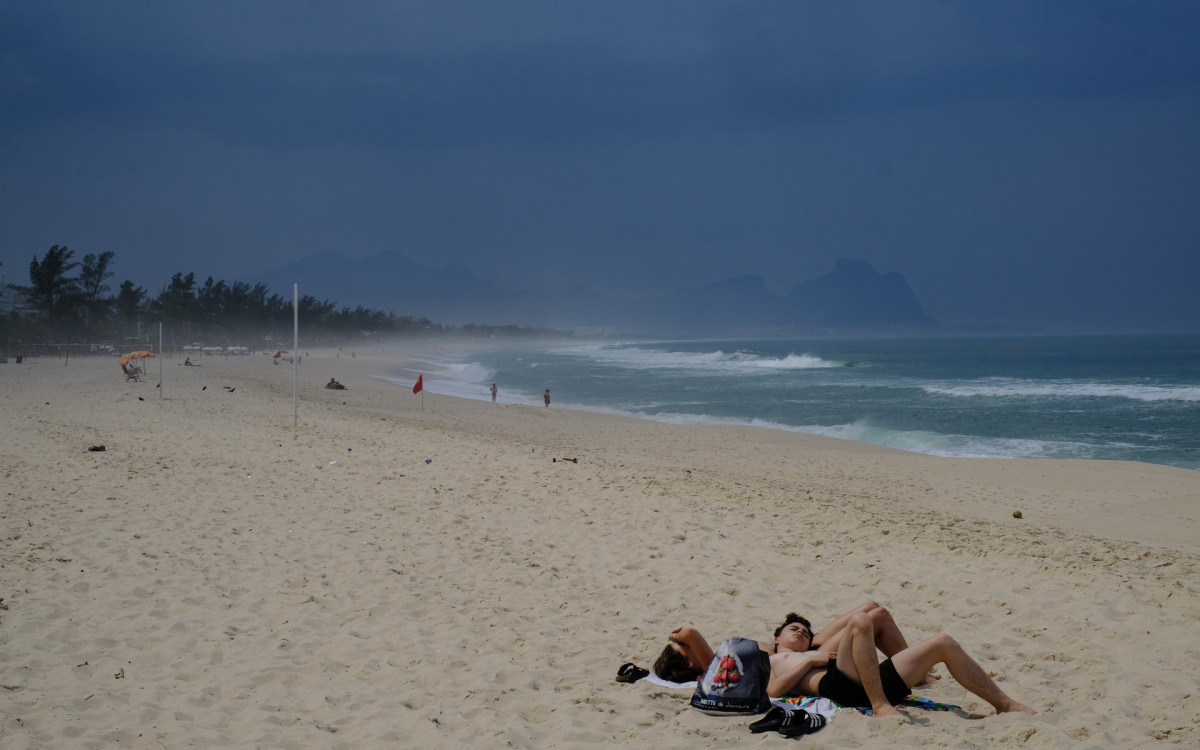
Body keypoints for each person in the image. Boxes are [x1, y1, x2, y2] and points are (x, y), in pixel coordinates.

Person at [769, 611, 1036, 717]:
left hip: (868, 679)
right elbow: (772, 692)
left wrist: (816, 654)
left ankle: (1004, 704)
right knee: (861, 620)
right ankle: (880, 706)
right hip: (837, 686)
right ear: (777, 638)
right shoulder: (772, 659)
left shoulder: (818, 649)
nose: (801, 633)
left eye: (805, 631)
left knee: (943, 642)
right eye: (794, 629)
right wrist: (810, 663)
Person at [653, 601, 927, 684]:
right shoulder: (714, 669)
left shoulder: (722, 665)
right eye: (684, 650)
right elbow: (690, 632)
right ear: (689, 661)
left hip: (797, 651)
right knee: (875, 616)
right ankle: (918, 673)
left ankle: (917, 670)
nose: (688, 646)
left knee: (872, 607)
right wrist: (676, 638)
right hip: (808, 659)